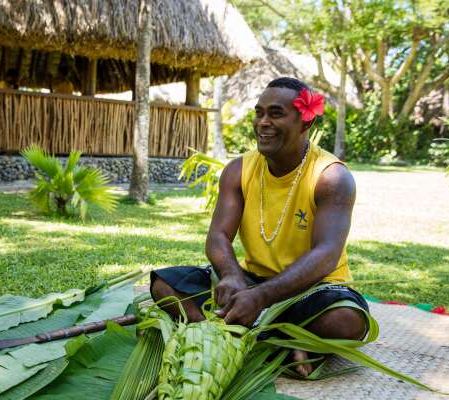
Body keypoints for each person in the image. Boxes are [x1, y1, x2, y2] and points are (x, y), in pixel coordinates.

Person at [150, 77, 371, 377]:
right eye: (259, 113)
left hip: (312, 289)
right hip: (250, 282)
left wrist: (262, 297)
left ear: (305, 122)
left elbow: (326, 255)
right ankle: (274, 345)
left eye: (276, 113)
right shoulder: (239, 170)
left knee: (347, 321)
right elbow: (218, 236)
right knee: (165, 285)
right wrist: (232, 276)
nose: (263, 122)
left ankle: (234, 336)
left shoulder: (331, 177)